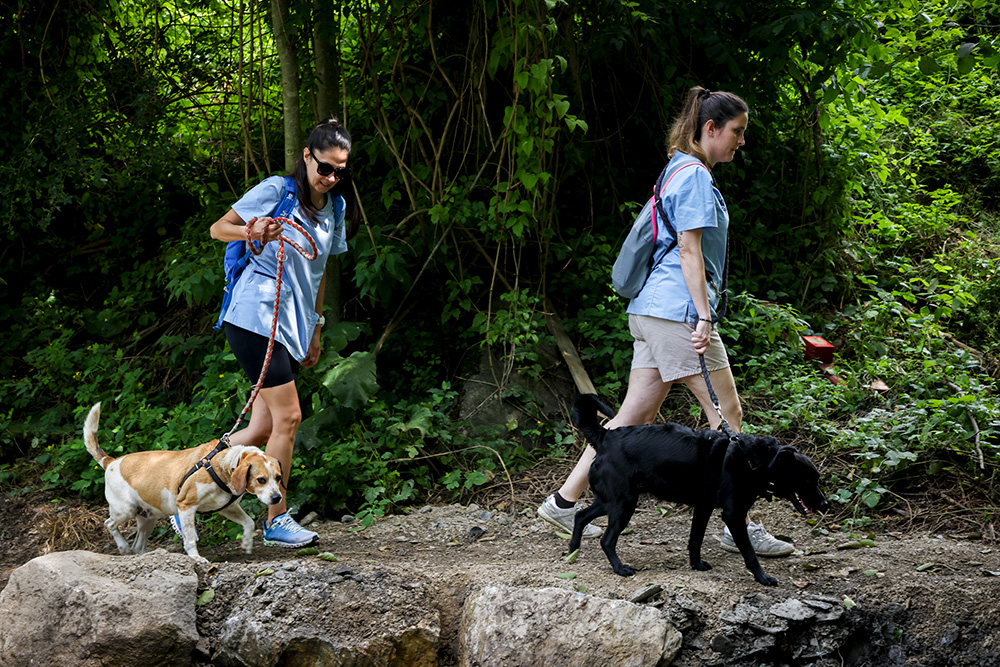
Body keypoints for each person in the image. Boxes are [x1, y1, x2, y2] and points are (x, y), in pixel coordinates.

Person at [538, 87, 794, 557]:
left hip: (650, 310)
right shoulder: (694, 175)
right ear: (710, 128)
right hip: (677, 312)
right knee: (727, 414)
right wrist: (703, 315)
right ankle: (739, 525)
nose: (742, 141)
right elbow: (689, 250)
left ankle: (563, 503)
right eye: (737, 131)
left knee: (632, 417)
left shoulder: (676, 167)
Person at [196, 117, 360, 548]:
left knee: (259, 430)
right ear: (307, 156)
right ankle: (277, 519)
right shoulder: (277, 190)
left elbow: (319, 274)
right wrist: (252, 229)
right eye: (325, 168)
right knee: (289, 417)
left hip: (290, 326)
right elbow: (218, 228)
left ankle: (184, 486)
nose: (331, 178)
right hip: (254, 315)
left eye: (340, 172)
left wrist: (316, 328)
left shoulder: (335, 209)